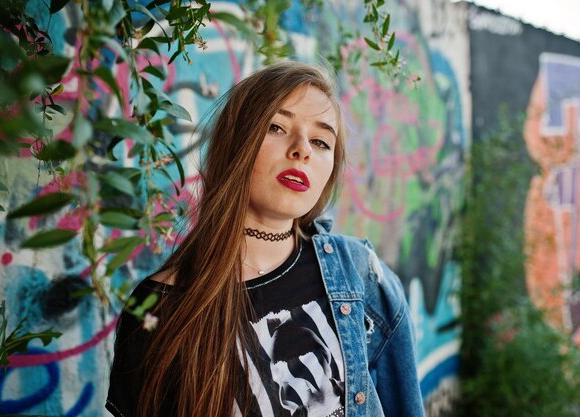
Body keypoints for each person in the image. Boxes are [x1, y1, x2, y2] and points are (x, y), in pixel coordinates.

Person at [106, 61, 425, 417]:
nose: (302, 149)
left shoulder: (359, 275)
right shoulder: (159, 308)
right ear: (236, 143)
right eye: (276, 126)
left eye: (321, 141)